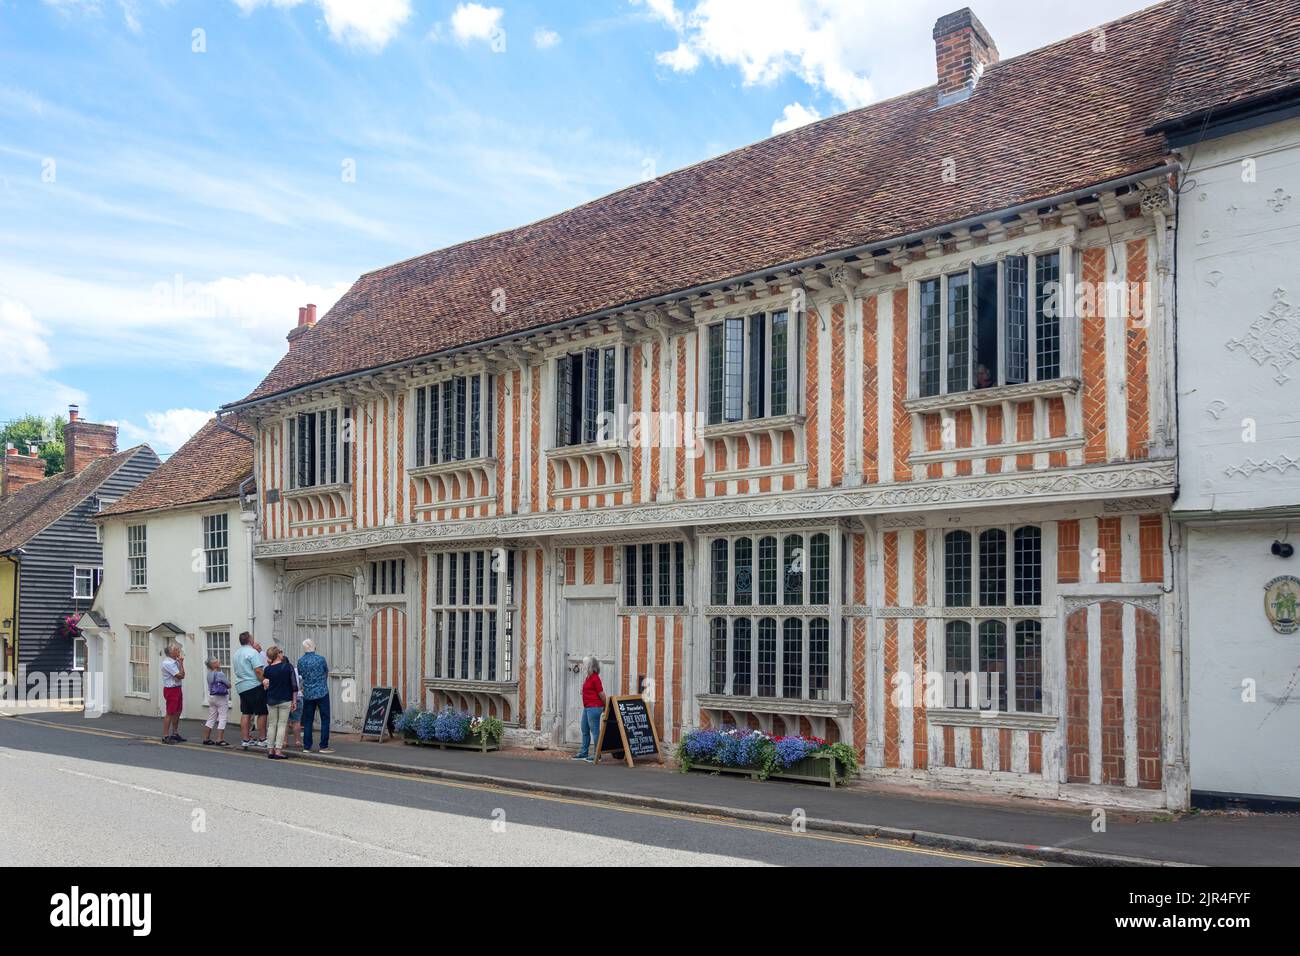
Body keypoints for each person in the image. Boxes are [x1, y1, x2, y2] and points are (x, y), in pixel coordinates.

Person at [261, 645, 298, 760]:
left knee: (272, 725)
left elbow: (266, 684)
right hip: (285, 699)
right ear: (278, 654)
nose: (282, 654)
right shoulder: (288, 667)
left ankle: (270, 750)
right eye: (280, 652)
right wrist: (294, 700)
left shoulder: (267, 669)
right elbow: (294, 685)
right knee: (282, 725)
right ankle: (278, 750)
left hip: (271, 699)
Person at [297, 638, 333, 754]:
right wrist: (321, 682)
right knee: (325, 719)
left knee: (308, 720)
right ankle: (323, 746)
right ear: (314, 647)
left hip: (308, 693)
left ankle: (307, 746)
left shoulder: (301, 661)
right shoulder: (320, 659)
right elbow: (326, 672)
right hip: (322, 692)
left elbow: (301, 675)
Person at [233, 631, 267, 750]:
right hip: (253, 685)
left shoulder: (236, 653)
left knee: (246, 712)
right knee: (262, 712)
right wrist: (264, 681)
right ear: (249, 640)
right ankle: (262, 739)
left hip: (241, 686)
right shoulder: (252, 652)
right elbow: (258, 670)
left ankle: (245, 739)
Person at [573, 656, 606, 763]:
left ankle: (597, 754)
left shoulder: (595, 678)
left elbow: (601, 693)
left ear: (589, 666)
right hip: (588, 707)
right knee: (584, 729)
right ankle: (584, 752)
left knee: (595, 731)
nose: (582, 665)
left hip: (594, 707)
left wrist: (606, 705)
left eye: (584, 663)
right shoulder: (588, 677)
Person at [159, 643, 186, 743]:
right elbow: (180, 676)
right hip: (171, 689)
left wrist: (181, 664)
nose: (179, 651)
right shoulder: (168, 663)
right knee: (170, 712)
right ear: (171, 652)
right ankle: (165, 736)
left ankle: (175, 733)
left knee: (178, 711)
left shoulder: (176, 661)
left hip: (177, 688)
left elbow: (183, 674)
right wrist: (181, 664)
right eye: (176, 650)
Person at [202, 658, 231, 746]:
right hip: (221, 697)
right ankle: (220, 739)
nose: (219, 662)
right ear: (214, 664)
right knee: (223, 717)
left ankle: (206, 738)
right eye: (217, 661)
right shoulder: (220, 674)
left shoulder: (208, 674)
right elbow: (228, 685)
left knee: (211, 717)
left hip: (211, 697)